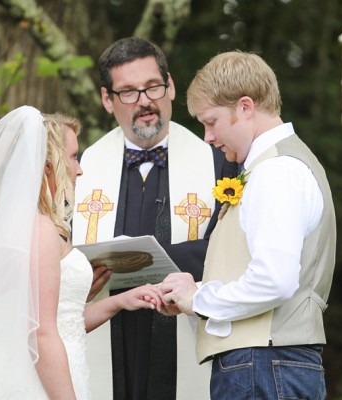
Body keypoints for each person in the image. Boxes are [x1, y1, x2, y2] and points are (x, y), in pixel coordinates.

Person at [0, 106, 165, 400]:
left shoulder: (9, 225)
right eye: (74, 157)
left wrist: (119, 301)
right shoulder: (39, 229)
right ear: (48, 164)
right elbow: (41, 335)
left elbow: (61, 322)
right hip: (40, 384)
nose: (79, 169)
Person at [158, 51, 337, 400]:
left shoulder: (277, 171)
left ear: (245, 107)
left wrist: (199, 299)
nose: (208, 136)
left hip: (264, 364)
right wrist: (192, 292)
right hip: (268, 363)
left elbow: (274, 281)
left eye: (212, 122)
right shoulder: (273, 167)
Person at [72, 37, 237, 399]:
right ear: (106, 99)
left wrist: (155, 261)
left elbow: (230, 249)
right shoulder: (80, 170)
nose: (144, 101)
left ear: (171, 86)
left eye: (152, 87)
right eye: (128, 92)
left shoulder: (219, 165)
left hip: (183, 328)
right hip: (109, 332)